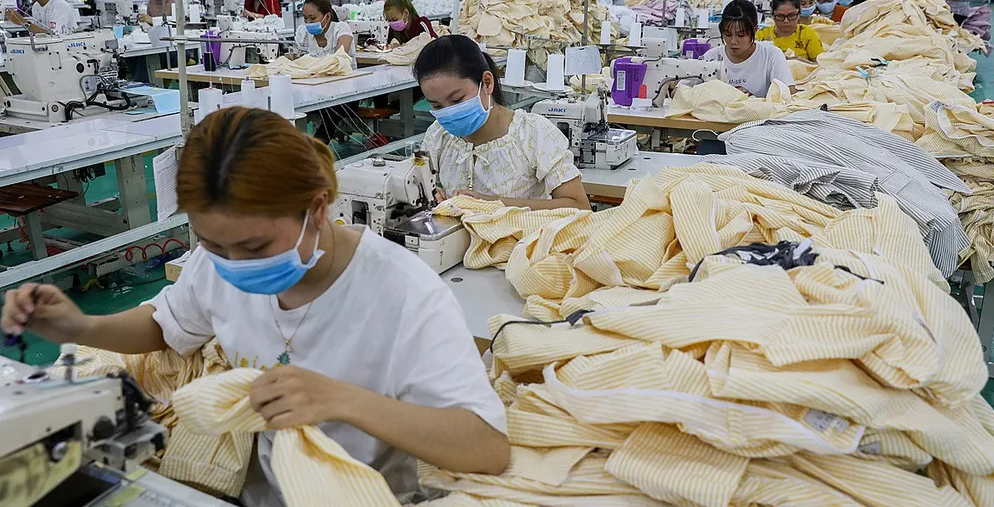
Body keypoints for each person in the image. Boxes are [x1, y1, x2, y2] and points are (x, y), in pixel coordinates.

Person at [2, 106, 510, 505]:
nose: (232, 266)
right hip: (255, 492)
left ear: (316, 208)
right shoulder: (216, 263)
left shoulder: (403, 293)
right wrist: (79, 324)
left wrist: (341, 400)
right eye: (212, 244)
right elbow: (165, 326)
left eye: (253, 249)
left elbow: (484, 445)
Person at [416, 36, 591, 211]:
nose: (449, 112)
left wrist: (492, 204)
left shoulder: (533, 134)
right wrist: (432, 194)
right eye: (437, 106)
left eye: (456, 100)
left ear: (487, 82)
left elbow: (579, 206)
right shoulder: (438, 136)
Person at [702, 0, 795, 97]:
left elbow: (788, 93)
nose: (733, 41)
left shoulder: (771, 55)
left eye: (741, 35)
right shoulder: (711, 57)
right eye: (728, 34)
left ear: (755, 30)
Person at [756, 0, 824, 63]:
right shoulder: (762, 35)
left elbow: (820, 66)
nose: (786, 21)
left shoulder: (806, 34)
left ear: (799, 14)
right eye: (780, 16)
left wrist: (801, 62)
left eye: (791, 16)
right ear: (773, 15)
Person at [296, 0, 355, 66]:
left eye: (313, 18)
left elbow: (340, 58)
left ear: (327, 17)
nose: (308, 22)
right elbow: (298, 61)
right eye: (305, 18)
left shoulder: (341, 29)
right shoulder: (303, 34)